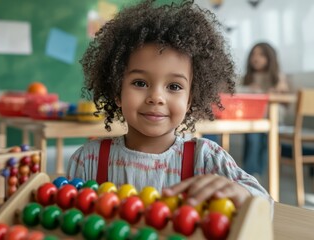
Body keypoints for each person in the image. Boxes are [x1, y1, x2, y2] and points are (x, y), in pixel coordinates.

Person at [67, 0, 271, 208]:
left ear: (190, 98)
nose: (156, 97)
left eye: (174, 86)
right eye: (140, 83)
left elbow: (266, 204)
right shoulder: (88, 161)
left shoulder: (206, 158)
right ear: (117, 90)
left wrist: (242, 194)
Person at [241, 42, 289, 179]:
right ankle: (249, 174)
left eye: (261, 55)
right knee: (252, 138)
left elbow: (285, 102)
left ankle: (259, 173)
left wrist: (277, 90)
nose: (256, 58)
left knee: (265, 142)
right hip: (253, 118)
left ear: (270, 57)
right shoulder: (248, 78)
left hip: (274, 120)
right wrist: (249, 90)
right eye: (253, 54)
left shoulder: (278, 77)